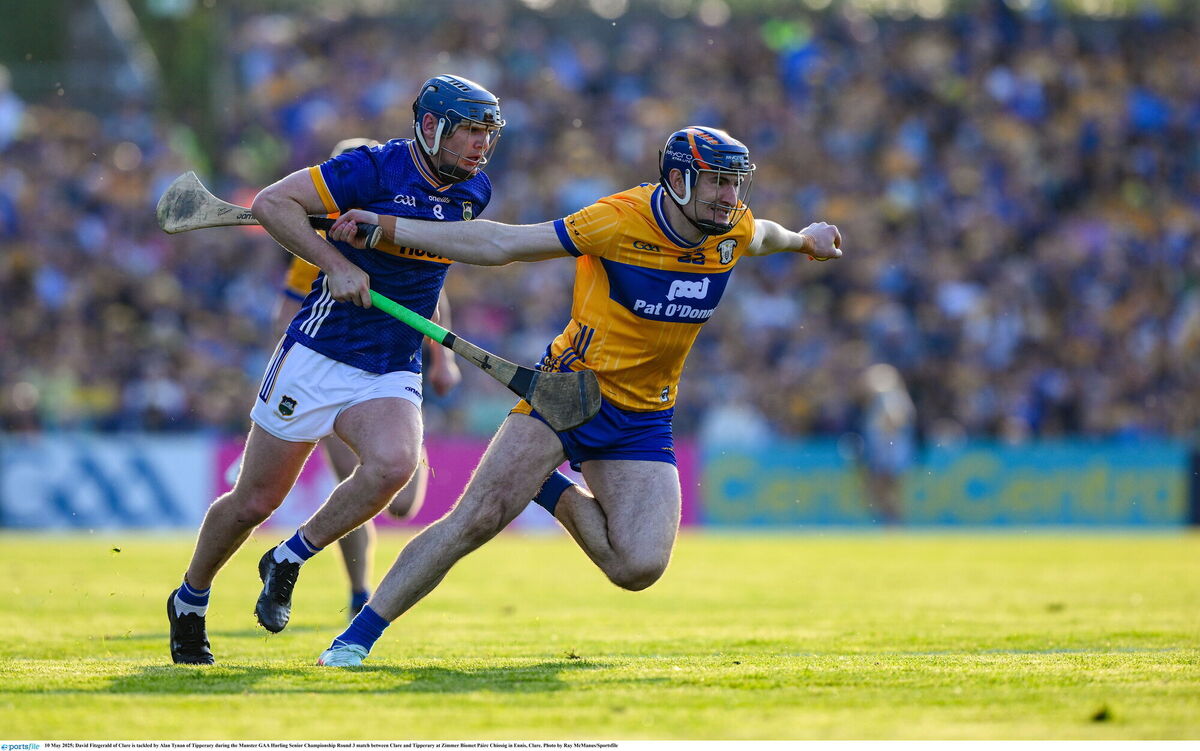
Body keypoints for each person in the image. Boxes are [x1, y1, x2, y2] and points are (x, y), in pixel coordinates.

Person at [315, 126, 843, 666]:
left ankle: (545, 485)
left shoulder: (732, 229)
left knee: (637, 567)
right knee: (477, 518)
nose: (730, 198)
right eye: (717, 184)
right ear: (680, 179)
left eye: (735, 185)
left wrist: (805, 240)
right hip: (566, 393)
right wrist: (386, 228)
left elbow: (765, 236)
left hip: (644, 415)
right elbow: (504, 244)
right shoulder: (616, 220)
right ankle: (354, 640)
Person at [166, 74, 503, 665]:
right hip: (321, 352)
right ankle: (190, 599)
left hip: (391, 364)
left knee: (395, 466)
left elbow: (432, 268)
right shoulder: (368, 171)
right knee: (253, 502)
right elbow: (272, 204)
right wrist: (335, 261)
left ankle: (291, 556)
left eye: (487, 133)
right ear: (431, 127)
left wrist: (434, 342)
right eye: (470, 132)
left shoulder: (474, 192)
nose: (480, 145)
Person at [229, 138, 463, 620]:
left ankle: (402, 448)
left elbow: (433, 300)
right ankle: (359, 591)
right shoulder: (314, 243)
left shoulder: (405, 222)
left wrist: (442, 361)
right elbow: (288, 311)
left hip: (392, 371)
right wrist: (289, 372)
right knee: (347, 480)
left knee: (402, 505)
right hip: (331, 368)